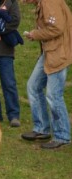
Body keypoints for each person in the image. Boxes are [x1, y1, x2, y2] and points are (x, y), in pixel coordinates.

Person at [21, 0, 72, 149]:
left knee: (53, 95)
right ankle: (42, 128)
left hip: (58, 53)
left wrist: (36, 34)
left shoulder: (49, 2)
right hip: (50, 52)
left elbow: (57, 27)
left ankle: (62, 135)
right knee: (33, 86)